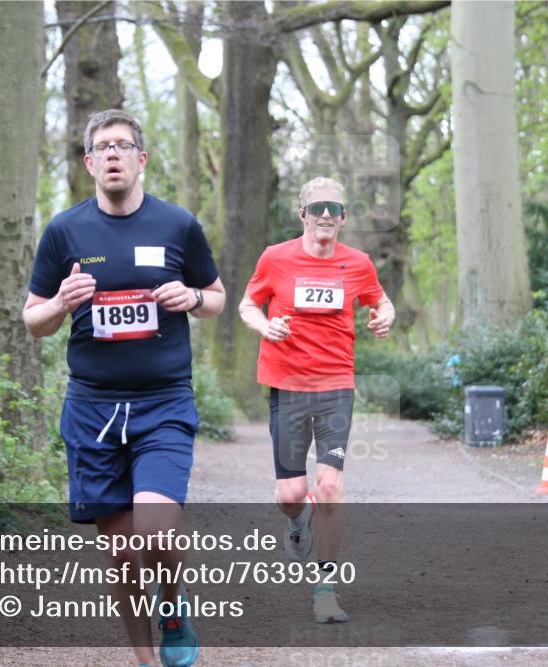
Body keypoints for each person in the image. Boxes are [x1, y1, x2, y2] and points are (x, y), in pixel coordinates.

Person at [22, 109, 224, 667]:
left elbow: (217, 296)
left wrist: (192, 299)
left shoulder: (177, 225)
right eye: (102, 147)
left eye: (122, 145)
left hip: (163, 402)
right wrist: (61, 303)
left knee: (156, 530)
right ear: (90, 163)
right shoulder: (65, 231)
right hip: (93, 409)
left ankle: (175, 605)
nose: (113, 154)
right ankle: (143, 658)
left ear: (141, 159)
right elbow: (33, 319)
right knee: (124, 553)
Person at [238, 176, 395, 624]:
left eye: (334, 208)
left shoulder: (358, 263)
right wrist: (263, 326)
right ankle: (294, 521)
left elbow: (383, 303)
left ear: (343, 217)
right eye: (317, 207)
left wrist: (383, 317)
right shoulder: (275, 258)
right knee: (291, 494)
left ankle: (324, 589)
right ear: (302, 213)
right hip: (287, 386)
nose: (326, 214)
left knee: (329, 485)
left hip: (335, 387)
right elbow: (249, 305)